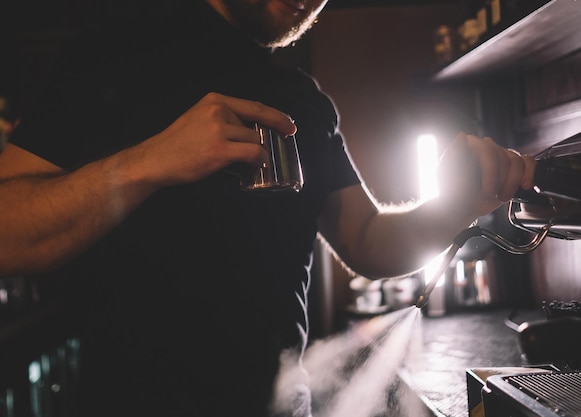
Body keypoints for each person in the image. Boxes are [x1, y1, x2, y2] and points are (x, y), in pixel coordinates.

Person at [0, 0, 535, 416]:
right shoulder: (107, 58)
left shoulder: (301, 99)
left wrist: (459, 201)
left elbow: (367, 240)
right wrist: (152, 160)